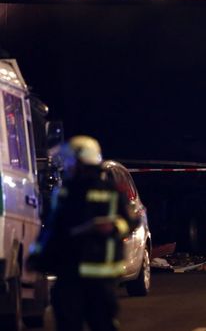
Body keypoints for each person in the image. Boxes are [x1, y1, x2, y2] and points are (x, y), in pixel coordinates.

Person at [28, 136, 139, 331]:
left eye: (71, 162)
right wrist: (37, 256)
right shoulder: (65, 193)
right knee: (69, 323)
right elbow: (52, 228)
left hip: (101, 275)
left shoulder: (113, 191)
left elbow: (132, 220)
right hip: (70, 272)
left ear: (81, 161)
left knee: (102, 323)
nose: (67, 167)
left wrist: (113, 227)